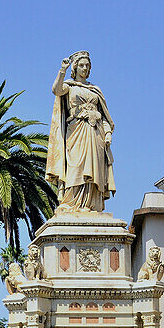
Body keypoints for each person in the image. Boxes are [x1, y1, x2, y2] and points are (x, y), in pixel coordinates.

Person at [46, 50, 116, 212]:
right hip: (76, 131)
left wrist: (107, 133)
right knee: (76, 166)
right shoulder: (69, 86)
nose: (85, 68)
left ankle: (91, 204)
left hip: (95, 132)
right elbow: (56, 90)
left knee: (94, 169)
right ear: (75, 67)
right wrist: (62, 70)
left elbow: (105, 116)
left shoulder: (95, 89)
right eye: (82, 65)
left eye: (87, 66)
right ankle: (71, 202)